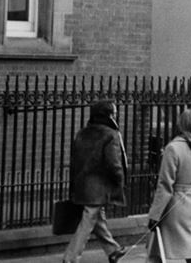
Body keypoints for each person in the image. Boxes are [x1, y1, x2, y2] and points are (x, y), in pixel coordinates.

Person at [62, 100, 128, 263]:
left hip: (81, 184)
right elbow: (114, 164)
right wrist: (119, 180)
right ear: (107, 115)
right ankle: (70, 257)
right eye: (114, 112)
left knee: (97, 218)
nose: (116, 115)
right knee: (89, 220)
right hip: (98, 187)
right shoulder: (110, 134)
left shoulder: (82, 133)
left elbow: (75, 161)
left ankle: (113, 250)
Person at [148, 109, 191, 263]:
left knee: (157, 252)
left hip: (174, 207)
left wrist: (155, 214)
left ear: (180, 124)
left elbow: (165, 184)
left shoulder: (173, 148)